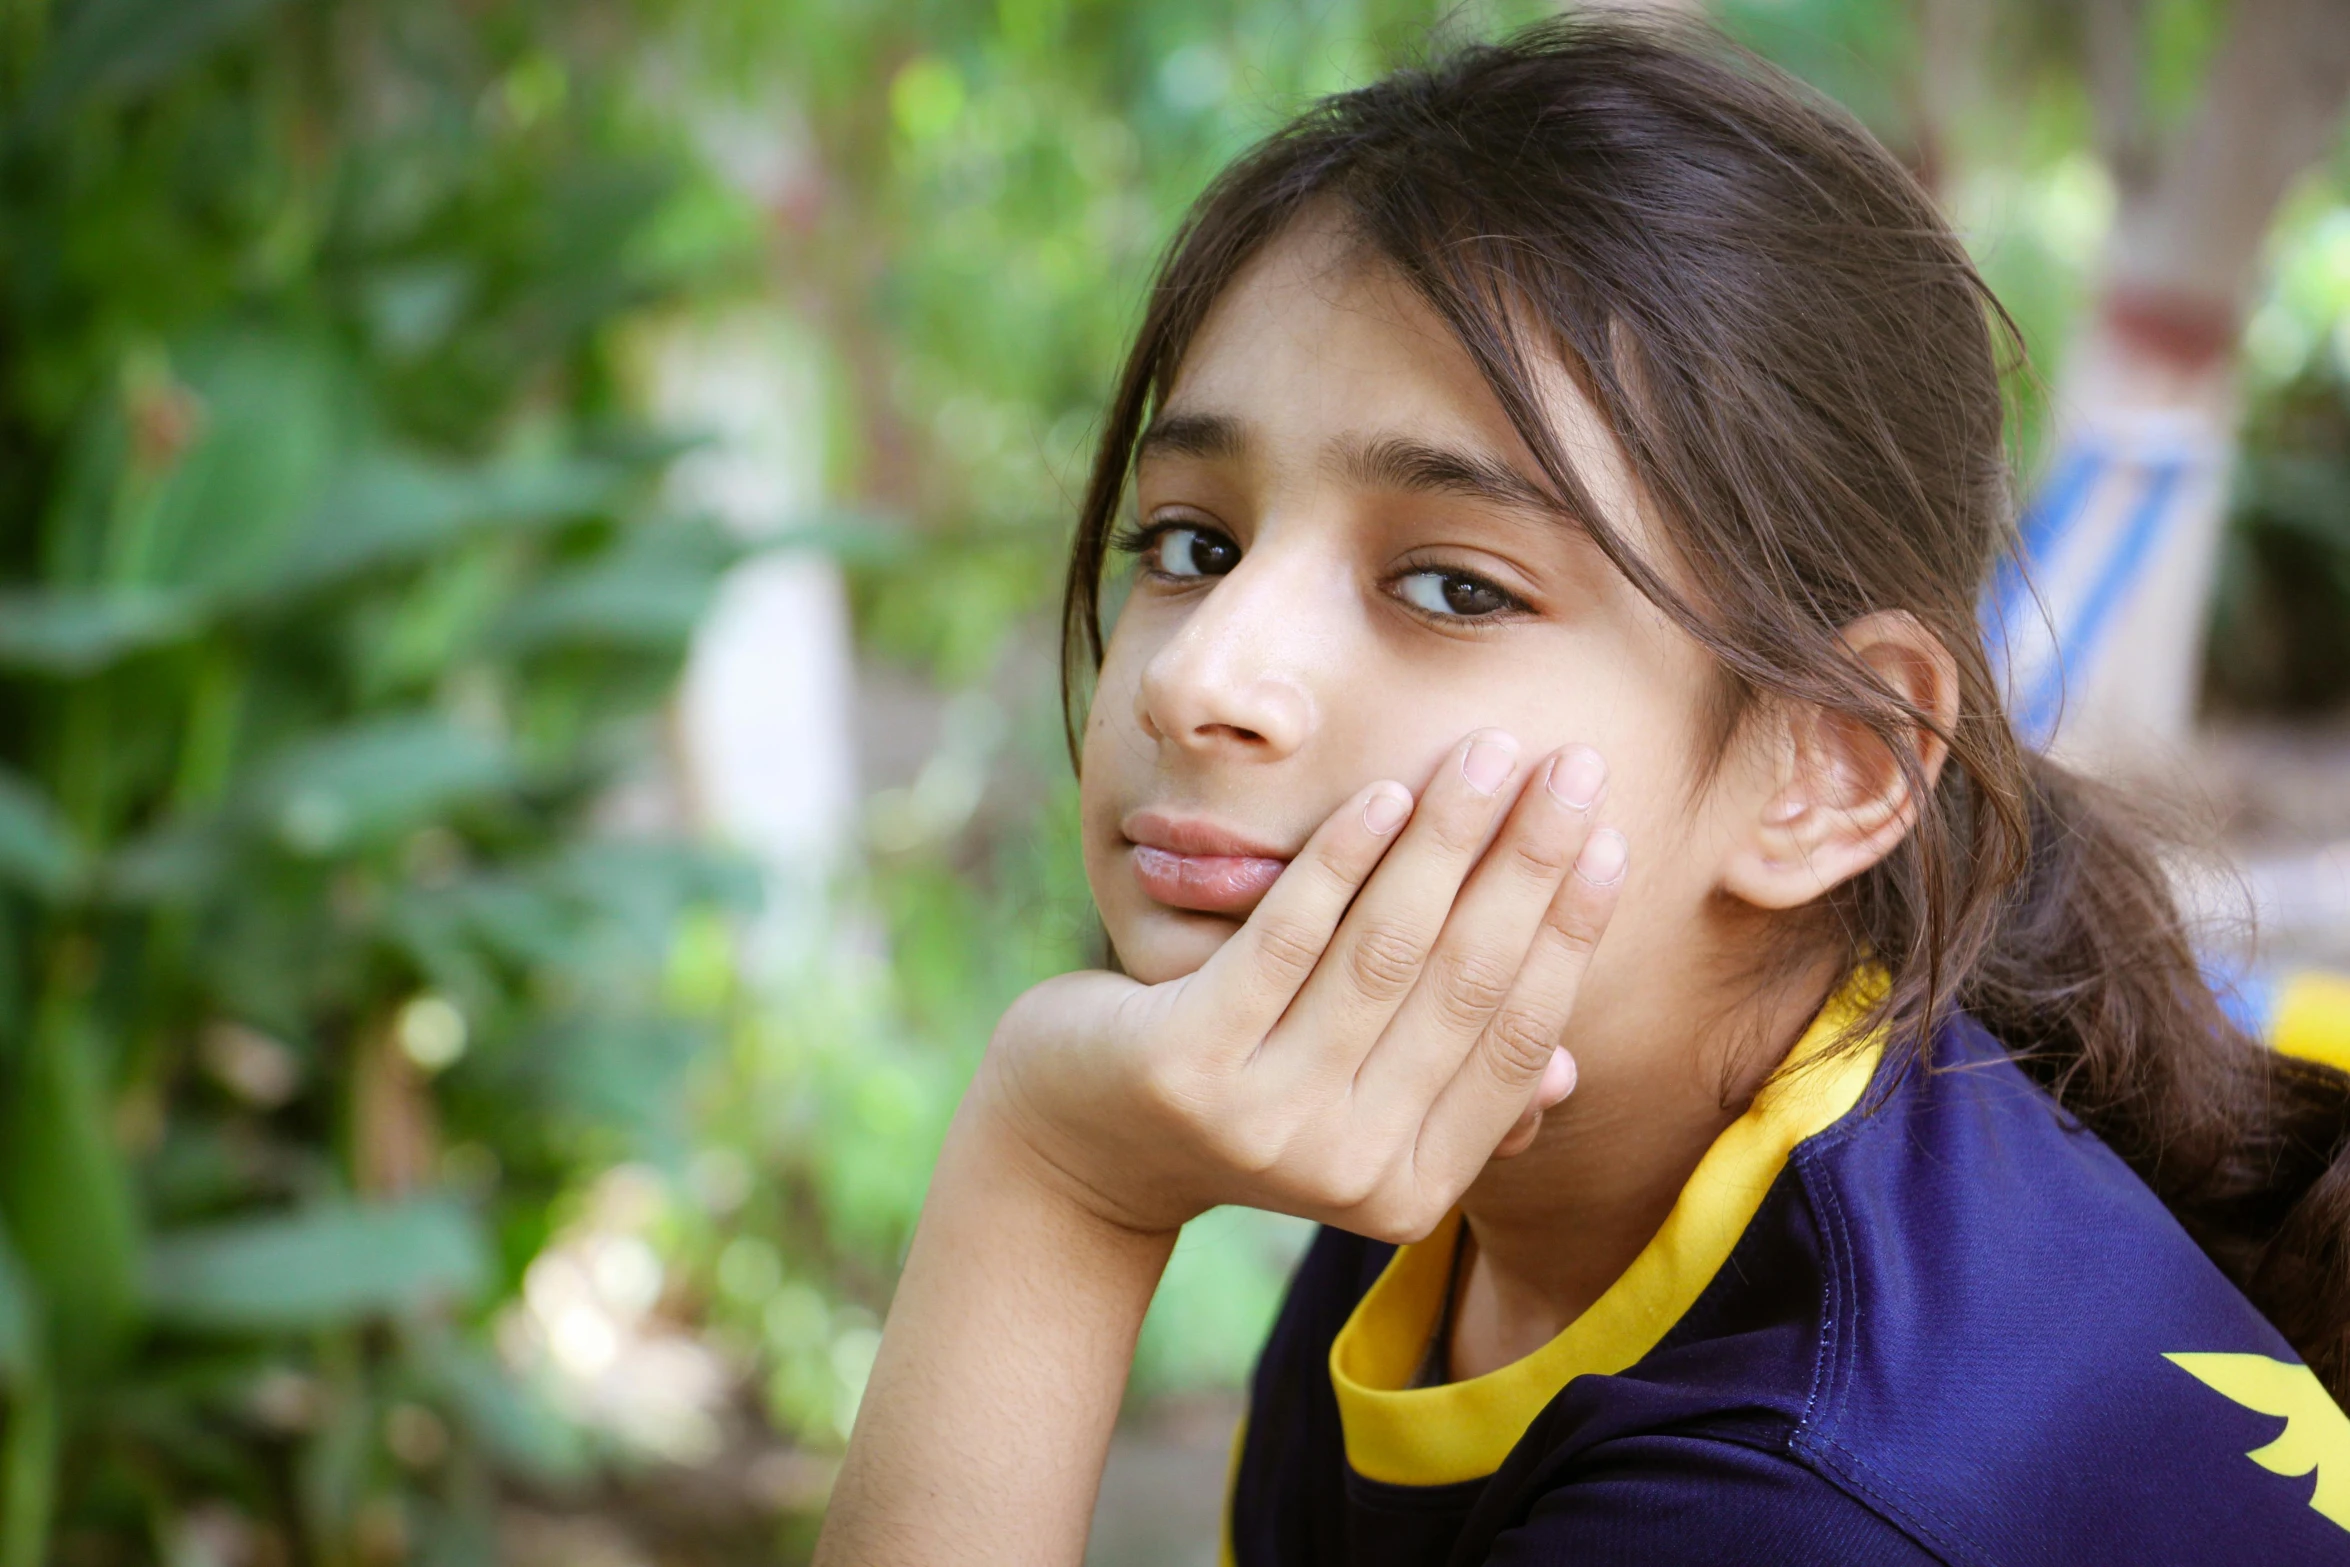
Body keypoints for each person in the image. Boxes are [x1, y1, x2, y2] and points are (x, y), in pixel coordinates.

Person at [814, 17, 2350, 1565]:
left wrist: (1056, 1187)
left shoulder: (1812, 1493)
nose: (1199, 676)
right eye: (1192, 544)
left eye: (1450, 586)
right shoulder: (1458, 1174)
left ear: (1837, 760)